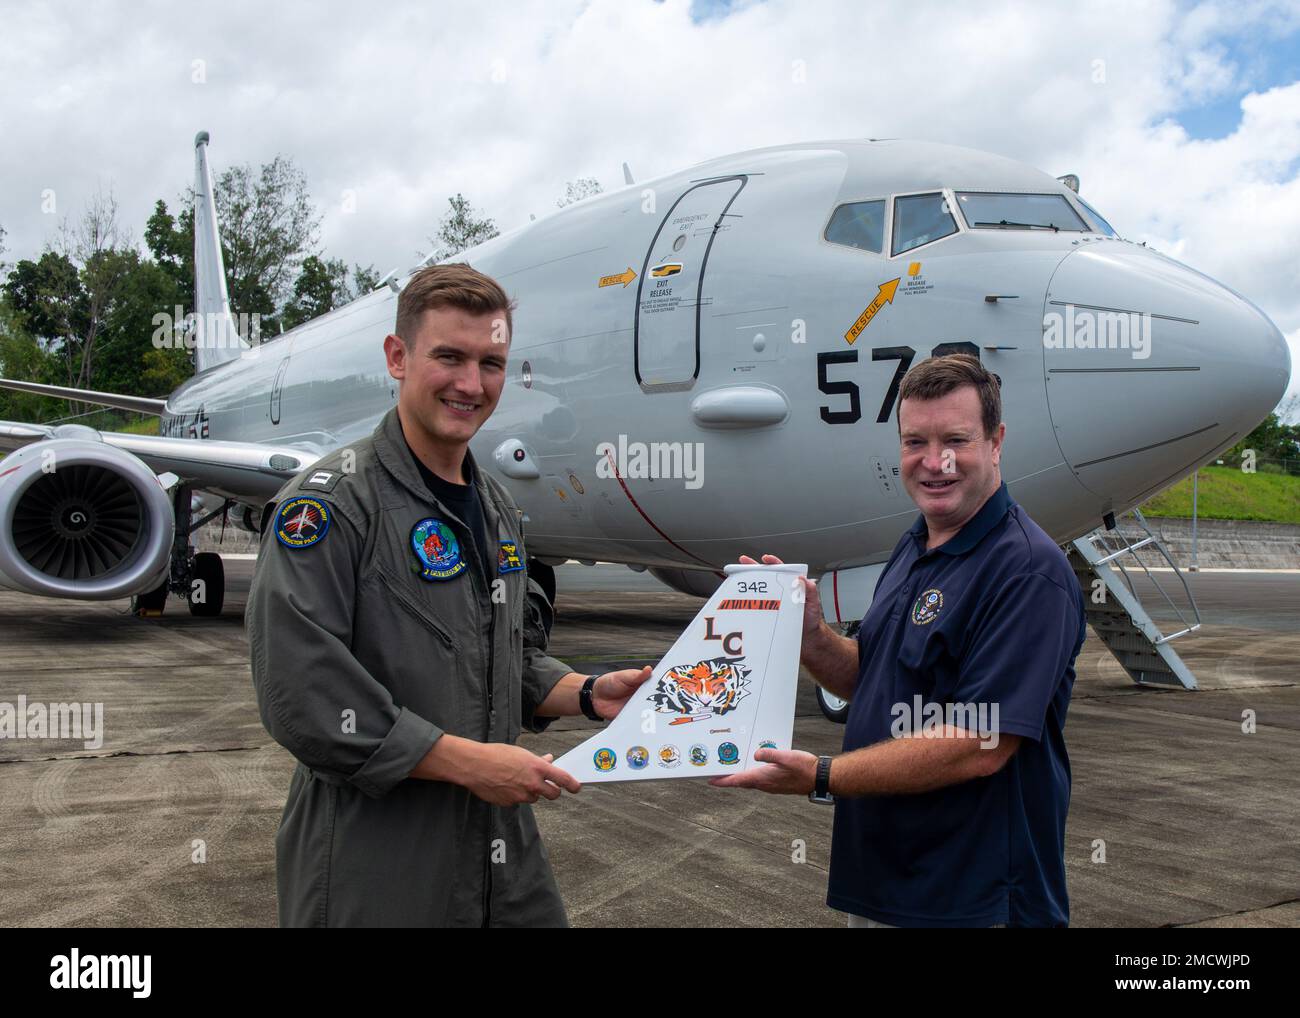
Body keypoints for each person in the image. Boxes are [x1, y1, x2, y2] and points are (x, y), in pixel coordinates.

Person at [246, 263, 650, 927]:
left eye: (491, 362)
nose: (471, 384)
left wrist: (584, 691)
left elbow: (502, 652)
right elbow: (303, 697)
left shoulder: (493, 504)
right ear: (397, 358)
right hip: (375, 857)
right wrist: (468, 764)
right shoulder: (331, 505)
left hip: (501, 854)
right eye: (450, 358)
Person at [711, 354, 1086, 927]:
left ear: (996, 442)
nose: (935, 463)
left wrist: (821, 775)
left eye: (956, 440)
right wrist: (810, 634)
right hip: (887, 886)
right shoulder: (915, 547)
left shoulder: (1027, 571)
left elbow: (978, 741)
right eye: (916, 442)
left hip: (972, 897)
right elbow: (872, 677)